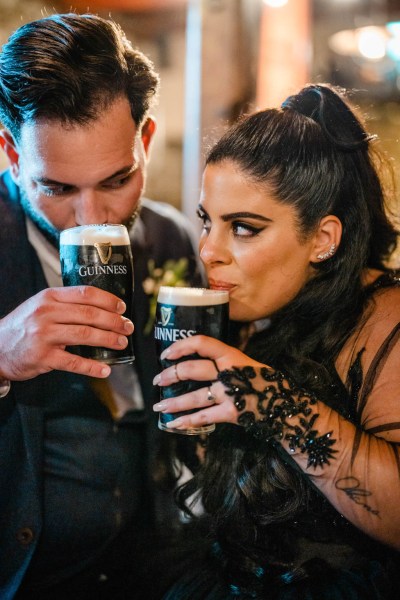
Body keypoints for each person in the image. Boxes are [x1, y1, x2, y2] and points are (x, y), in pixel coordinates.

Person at [152, 83, 400, 599]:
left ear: (323, 239)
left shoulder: (385, 316)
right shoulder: (251, 309)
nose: (209, 251)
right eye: (207, 221)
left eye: (243, 228)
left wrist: (274, 405)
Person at [0, 12, 201, 600]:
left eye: (116, 181)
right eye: (58, 188)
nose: (93, 219)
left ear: (144, 141)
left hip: (150, 568)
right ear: (11, 152)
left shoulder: (172, 240)